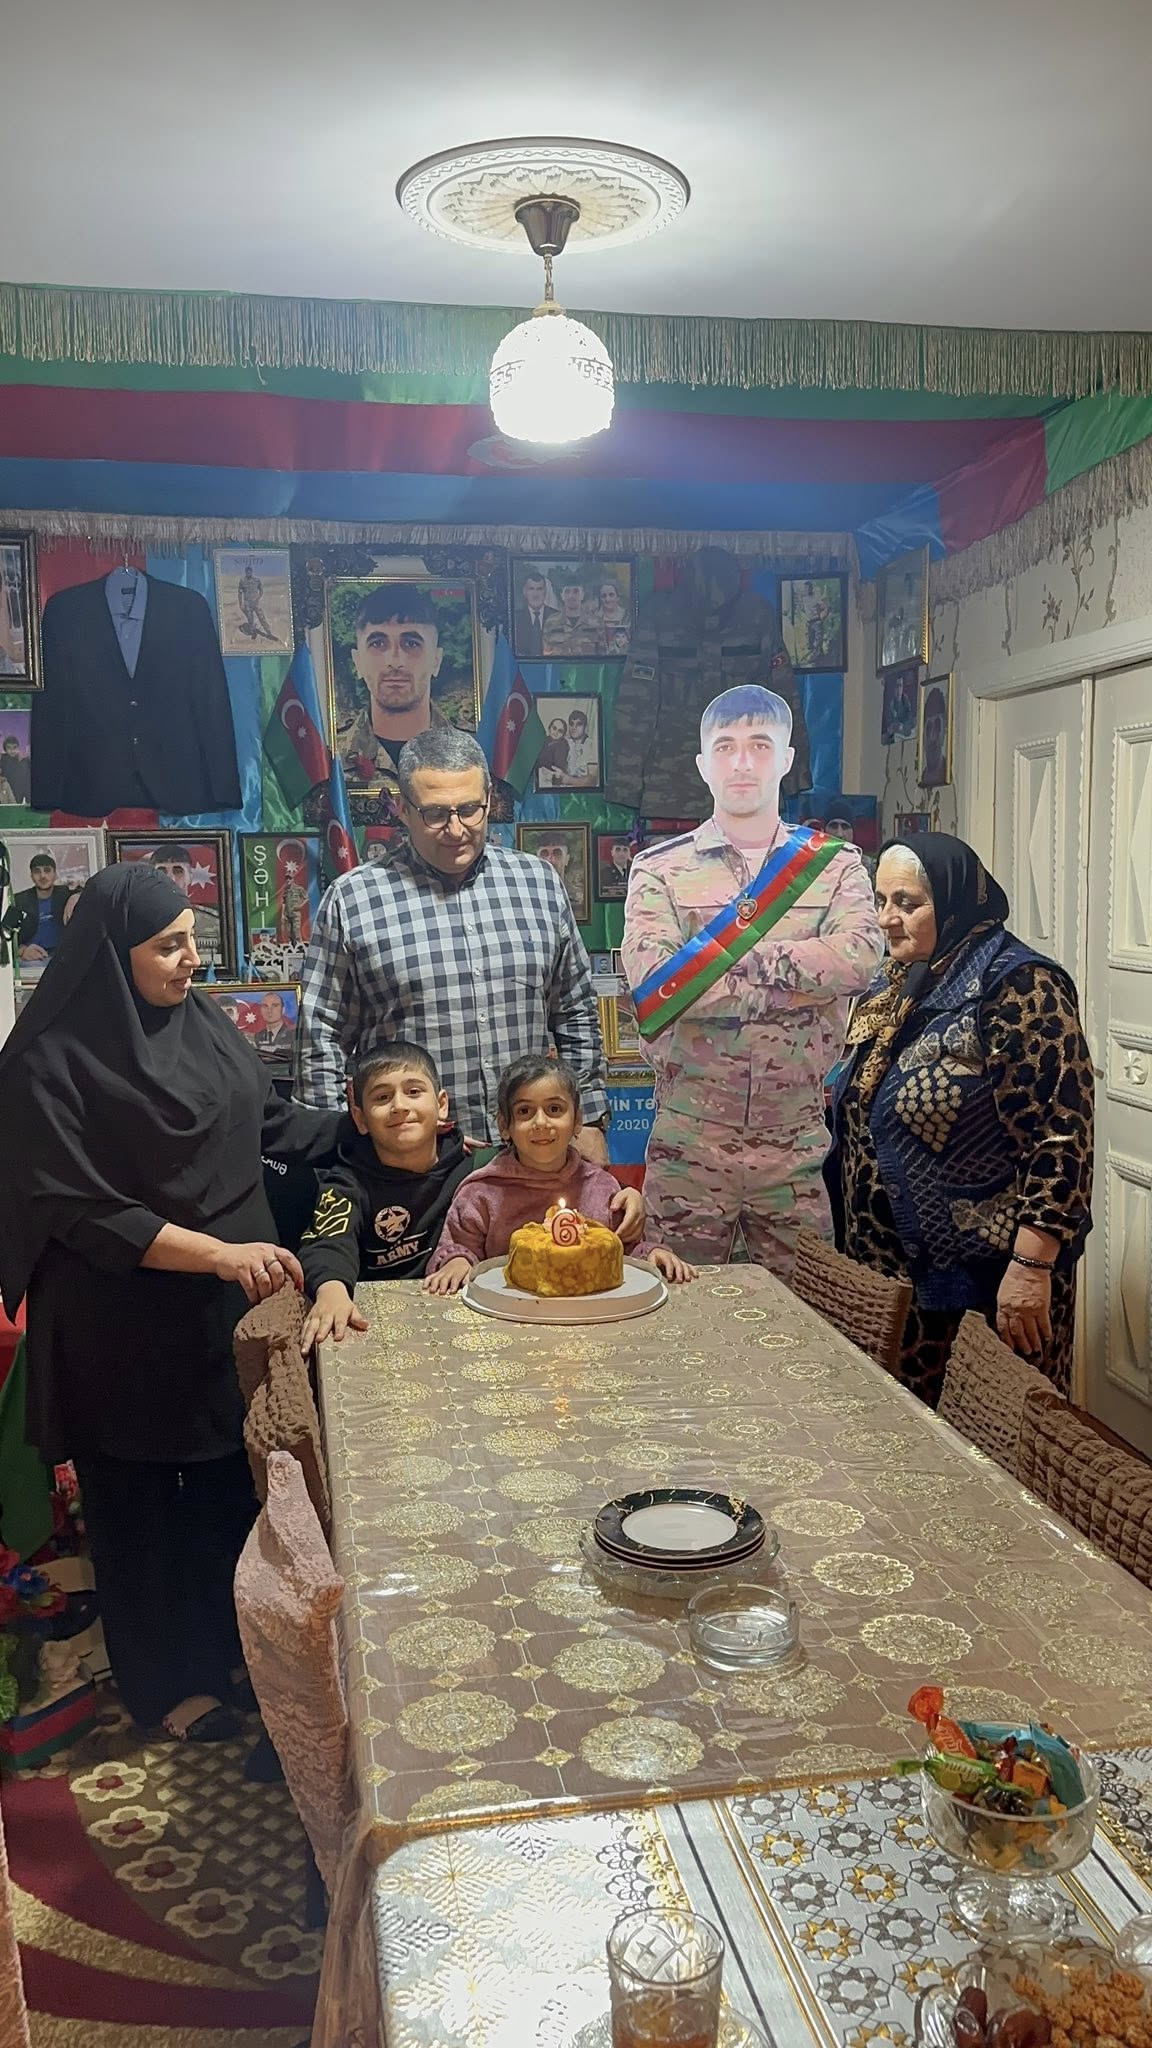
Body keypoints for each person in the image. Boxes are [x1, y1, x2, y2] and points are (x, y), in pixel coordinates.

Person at [0, 866, 350, 1741]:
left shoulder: (199, 1024)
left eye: (193, 938)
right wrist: (221, 1254)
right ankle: (165, 1684)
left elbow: (267, 1122)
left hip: (219, 1316)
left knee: (227, 1489)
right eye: (169, 946)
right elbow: (83, 1212)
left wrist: (372, 1128)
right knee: (140, 1509)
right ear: (111, 959)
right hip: (119, 1324)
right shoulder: (49, 1064)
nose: (194, 959)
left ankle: (230, 1650)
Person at [297, 727, 643, 1240]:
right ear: (402, 809)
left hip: (530, 1162)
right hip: (410, 1172)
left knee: (541, 1281)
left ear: (488, 800)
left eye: (470, 810)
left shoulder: (539, 885)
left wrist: (589, 1118)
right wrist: (335, 1150)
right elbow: (320, 1036)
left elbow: (574, 1010)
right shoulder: (353, 900)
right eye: (435, 813)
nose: (455, 829)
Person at [622, 685, 883, 1275]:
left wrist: (737, 962)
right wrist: (800, 982)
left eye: (760, 745)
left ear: (786, 759)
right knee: (680, 1314)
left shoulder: (835, 866)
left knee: (804, 1317)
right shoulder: (659, 869)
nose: (742, 762)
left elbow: (860, 959)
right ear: (703, 764)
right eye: (726, 746)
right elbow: (657, 985)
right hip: (690, 1143)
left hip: (794, 1146)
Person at [827, 834, 1095, 1405]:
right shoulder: (903, 977)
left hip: (984, 1290)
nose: (887, 918)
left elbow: (1061, 1138)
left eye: (907, 903)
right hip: (899, 1282)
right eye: (880, 900)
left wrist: (1030, 1268)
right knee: (902, 1442)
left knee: (992, 1437)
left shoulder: (1020, 986)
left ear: (952, 901)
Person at [425, 1053, 693, 1293]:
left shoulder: (602, 1187)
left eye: (554, 1109)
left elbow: (624, 1249)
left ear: (577, 1121)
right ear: (504, 1125)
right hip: (508, 1316)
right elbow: (459, 1247)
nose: (541, 1122)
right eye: (525, 1111)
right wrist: (457, 1260)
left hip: (590, 1312)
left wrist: (651, 1254)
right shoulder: (480, 1193)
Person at [300, 1041, 473, 1345]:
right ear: (360, 1119)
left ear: (442, 1104)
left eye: (414, 1091)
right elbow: (328, 1240)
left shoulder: (474, 1170)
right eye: (382, 1097)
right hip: (376, 1326)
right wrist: (331, 1290)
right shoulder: (347, 1182)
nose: (400, 1106)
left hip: (464, 1320)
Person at [337, 584, 451, 801]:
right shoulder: (330, 758)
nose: (395, 661)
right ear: (357, 661)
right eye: (378, 643)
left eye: (411, 643)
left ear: (436, 661)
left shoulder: (471, 755)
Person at [146, 843, 222, 963]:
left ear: (190, 876)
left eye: (178, 871)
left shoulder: (213, 922)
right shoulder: (141, 921)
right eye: (162, 871)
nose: (171, 878)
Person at [13, 853, 81, 964]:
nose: (43, 876)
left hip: (62, 957)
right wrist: (22, 950)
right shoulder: (19, 900)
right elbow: (5, 936)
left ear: (55, 874)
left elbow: (89, 891)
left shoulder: (64, 894)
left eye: (47, 870)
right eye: (37, 871)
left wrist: (75, 897)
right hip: (30, 959)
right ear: (31, 876)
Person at [543, 578, 600, 658]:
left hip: (587, 666)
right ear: (562, 596)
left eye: (576, 591)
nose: (571, 596)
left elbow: (603, 655)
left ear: (582, 595)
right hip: (560, 666)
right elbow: (546, 656)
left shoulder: (596, 623)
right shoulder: (551, 622)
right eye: (567, 592)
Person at [515, 571, 550, 659]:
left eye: (539, 589)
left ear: (545, 592)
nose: (535, 594)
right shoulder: (515, 619)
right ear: (524, 592)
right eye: (531, 589)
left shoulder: (557, 616)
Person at [236, 561, 275, 642]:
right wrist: (240, 604)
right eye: (247, 572)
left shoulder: (256, 580)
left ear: (252, 572)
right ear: (245, 572)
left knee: (262, 618)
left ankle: (269, 633)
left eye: (250, 571)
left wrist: (258, 598)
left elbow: (261, 590)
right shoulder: (242, 581)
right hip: (247, 603)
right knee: (250, 620)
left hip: (256, 603)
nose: (248, 573)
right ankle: (253, 632)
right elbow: (240, 593)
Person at [920, 685, 949, 785]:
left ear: (944, 731)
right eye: (928, 728)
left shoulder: (949, 773)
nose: (932, 737)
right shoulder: (922, 778)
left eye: (937, 727)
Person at [563, 708, 598, 787]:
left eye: (579, 724)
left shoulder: (591, 745)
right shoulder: (566, 742)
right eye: (571, 724)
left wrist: (568, 780)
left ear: (585, 727)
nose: (574, 727)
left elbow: (592, 780)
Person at [536, 716, 572, 785]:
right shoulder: (546, 739)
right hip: (539, 774)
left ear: (563, 734)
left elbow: (558, 768)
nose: (556, 732)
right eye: (554, 728)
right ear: (549, 728)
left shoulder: (562, 745)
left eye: (560, 731)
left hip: (551, 779)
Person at [1, 734, 29, 805]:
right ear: (5, 749)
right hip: (5, 798)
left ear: (18, 747)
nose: (12, 750)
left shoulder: (24, 762)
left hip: (19, 798)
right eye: (9, 747)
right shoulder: (2, 760)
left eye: (14, 747)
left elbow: (26, 782)